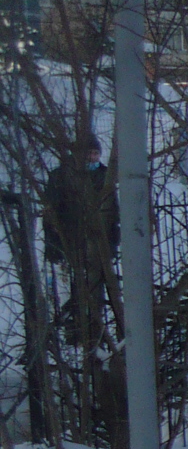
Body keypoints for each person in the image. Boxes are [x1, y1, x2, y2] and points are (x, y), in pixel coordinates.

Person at [40, 137, 118, 348]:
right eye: (88, 153)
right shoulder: (62, 177)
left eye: (95, 153)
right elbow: (51, 213)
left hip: (98, 244)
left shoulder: (104, 176)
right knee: (72, 289)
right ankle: (73, 332)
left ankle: (95, 332)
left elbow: (114, 213)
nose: (92, 157)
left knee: (95, 289)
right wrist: (54, 244)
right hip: (69, 243)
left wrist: (113, 243)